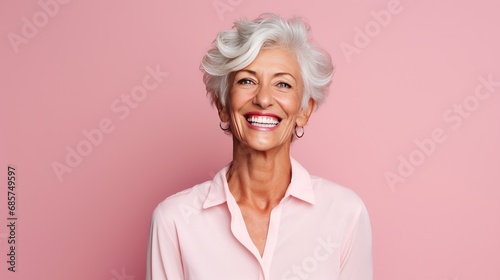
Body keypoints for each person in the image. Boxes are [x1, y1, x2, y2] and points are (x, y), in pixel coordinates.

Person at [146, 13, 373, 280]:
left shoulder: (345, 213)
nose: (264, 99)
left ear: (304, 111)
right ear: (222, 105)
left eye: (283, 84)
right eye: (247, 80)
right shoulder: (174, 221)